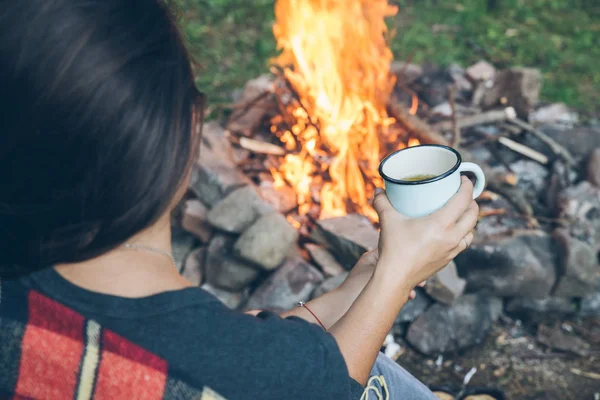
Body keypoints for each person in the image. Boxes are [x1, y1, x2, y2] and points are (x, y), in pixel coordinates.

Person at [0, 1, 479, 399]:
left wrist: (363, 287)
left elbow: (241, 345)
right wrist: (397, 276)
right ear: (178, 132)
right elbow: (322, 387)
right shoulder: (225, 369)